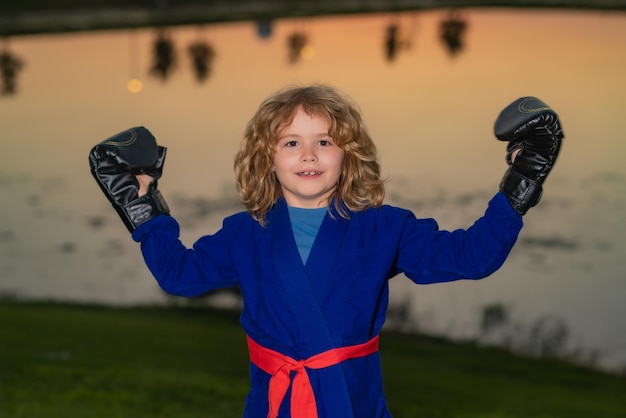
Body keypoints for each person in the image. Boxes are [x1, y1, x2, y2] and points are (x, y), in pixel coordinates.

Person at [89, 84, 563, 418]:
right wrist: (141, 205)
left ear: (349, 155)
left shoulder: (384, 228)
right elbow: (179, 275)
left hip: (353, 403)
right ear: (267, 159)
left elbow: (473, 256)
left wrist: (524, 179)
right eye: (291, 142)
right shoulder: (244, 233)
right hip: (274, 407)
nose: (309, 154)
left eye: (325, 142)